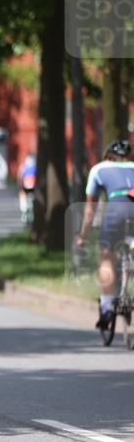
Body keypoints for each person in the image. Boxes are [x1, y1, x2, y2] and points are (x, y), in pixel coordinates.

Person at [74, 139, 134, 331]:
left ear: (109, 155)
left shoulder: (99, 169)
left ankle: (107, 308)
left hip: (116, 212)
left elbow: (90, 210)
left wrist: (83, 235)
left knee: (106, 258)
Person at [18, 150, 37, 225]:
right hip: (31, 186)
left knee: (25, 200)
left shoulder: (24, 167)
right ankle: (28, 213)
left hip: (26, 186)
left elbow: (20, 176)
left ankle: (25, 213)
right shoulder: (34, 167)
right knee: (29, 200)